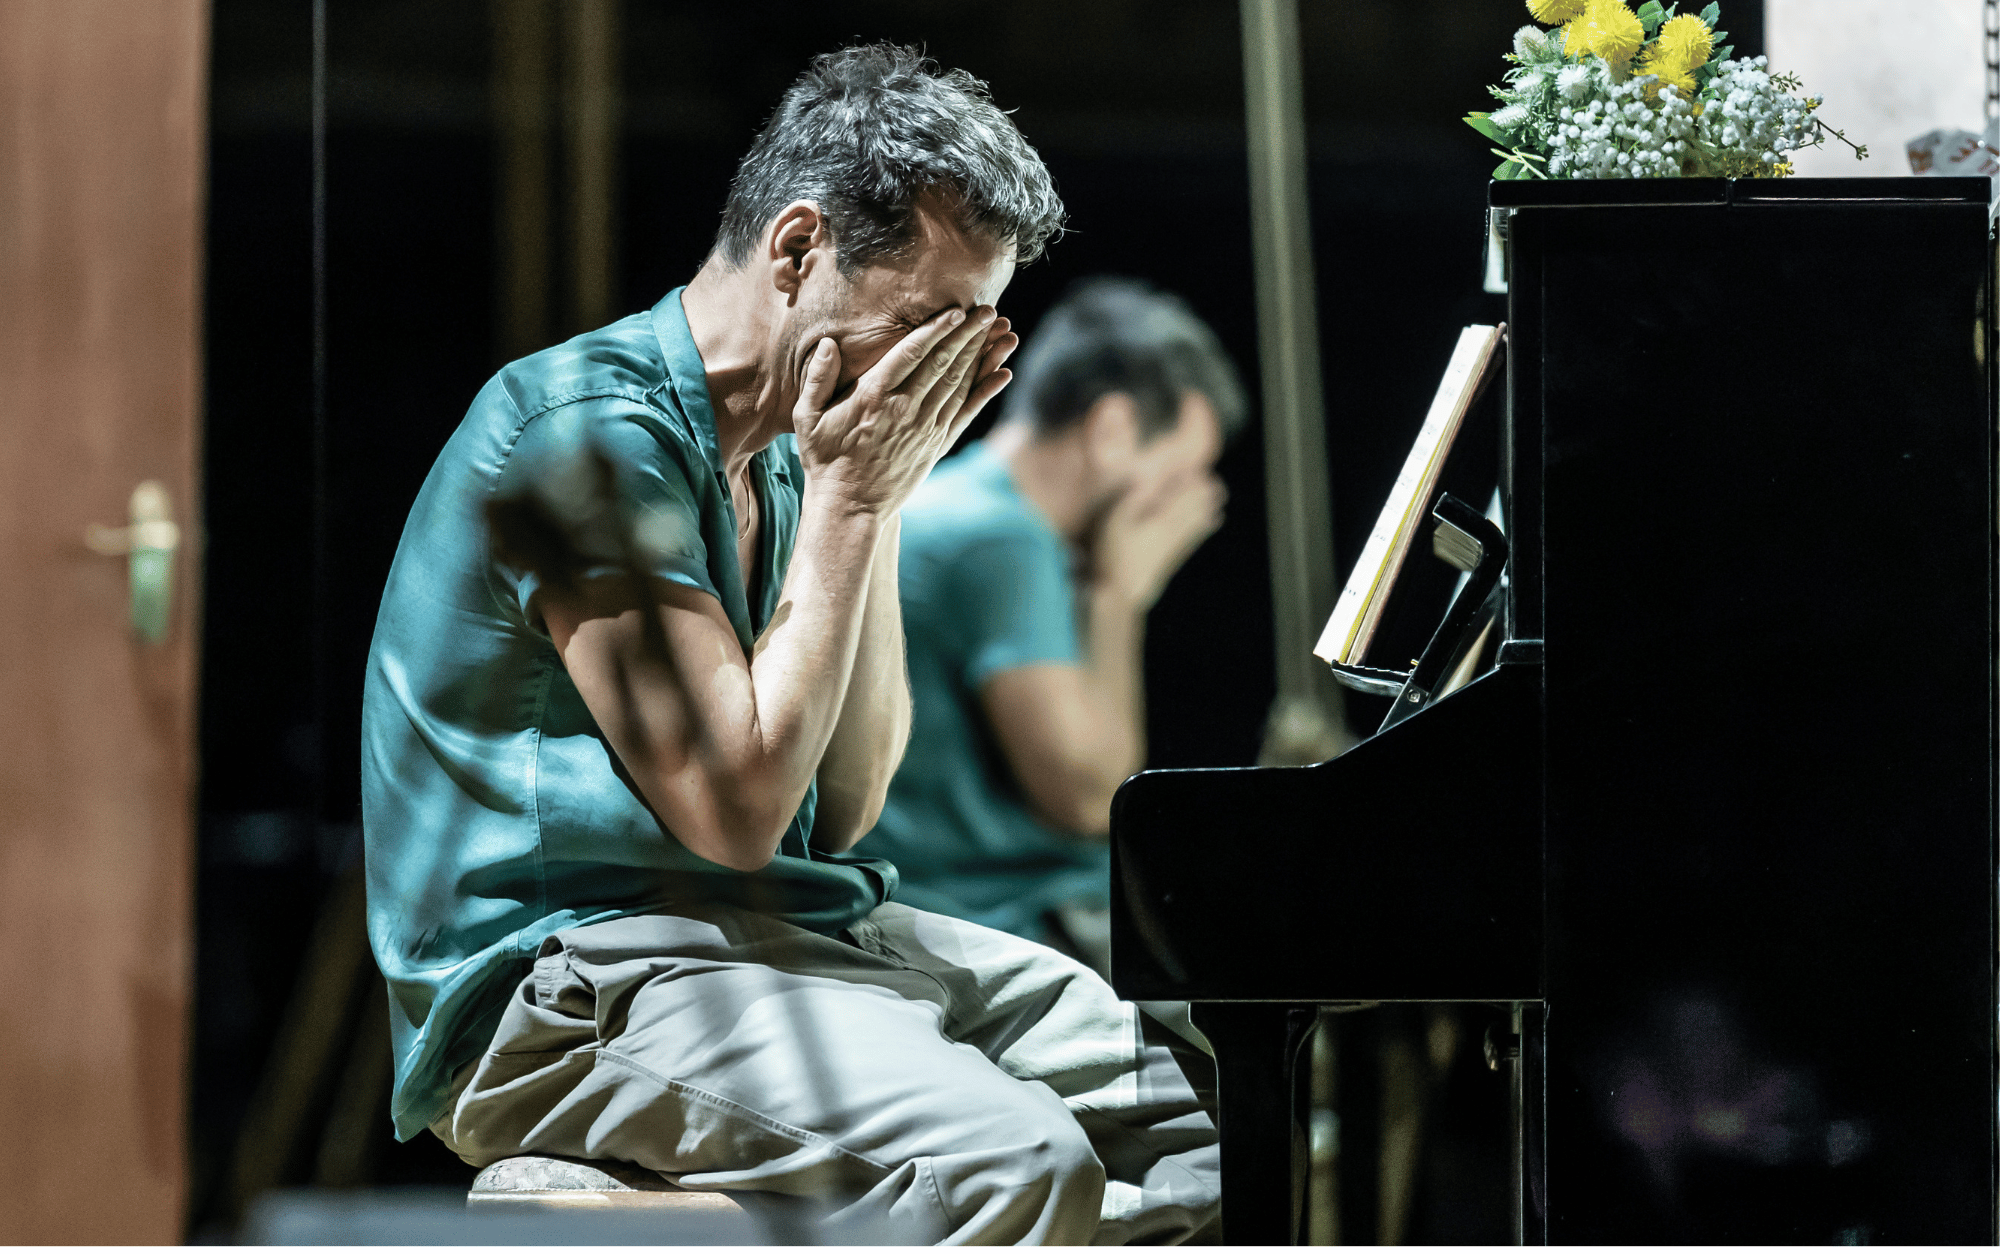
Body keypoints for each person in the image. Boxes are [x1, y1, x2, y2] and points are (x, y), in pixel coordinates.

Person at [360, 44, 1219, 1244]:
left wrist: (878, 496)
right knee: (1009, 1159)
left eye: (975, 336)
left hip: (783, 939)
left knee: (1195, 1117)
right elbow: (736, 809)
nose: (946, 374)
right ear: (797, 248)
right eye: (925, 326)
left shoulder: (781, 456)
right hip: (576, 985)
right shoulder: (584, 442)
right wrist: (854, 505)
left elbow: (851, 800)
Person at [855, 278, 1244, 974]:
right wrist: (1123, 596)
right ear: (1113, 429)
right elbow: (1093, 800)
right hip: (981, 928)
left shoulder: (954, 500)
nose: (1191, 508)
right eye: (1181, 475)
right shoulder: (1004, 539)